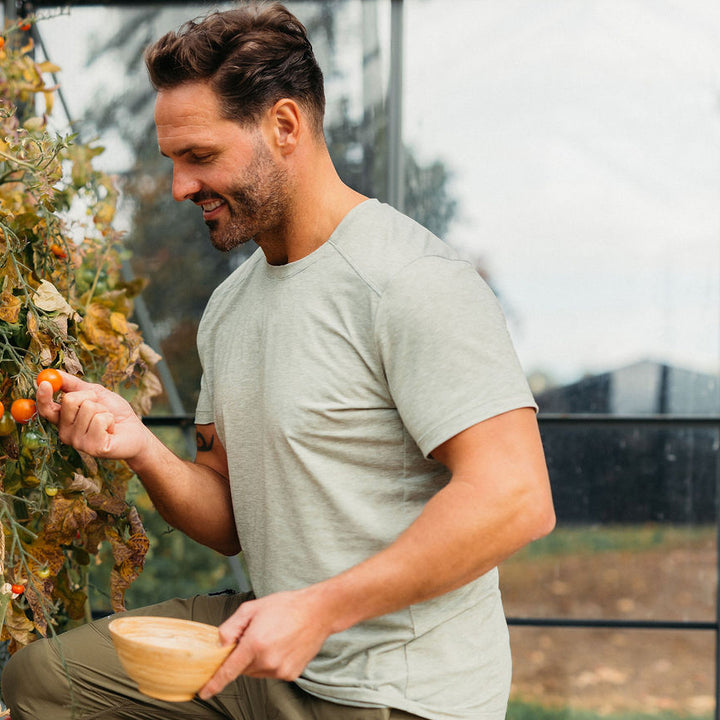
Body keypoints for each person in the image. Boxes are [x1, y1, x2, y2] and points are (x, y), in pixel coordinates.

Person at [2, 3, 555, 719]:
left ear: (284, 126)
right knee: (44, 684)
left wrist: (320, 609)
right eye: (173, 161)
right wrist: (139, 448)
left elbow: (516, 499)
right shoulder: (233, 308)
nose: (178, 187)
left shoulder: (408, 282)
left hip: (392, 692)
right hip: (268, 651)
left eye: (199, 156)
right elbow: (229, 513)